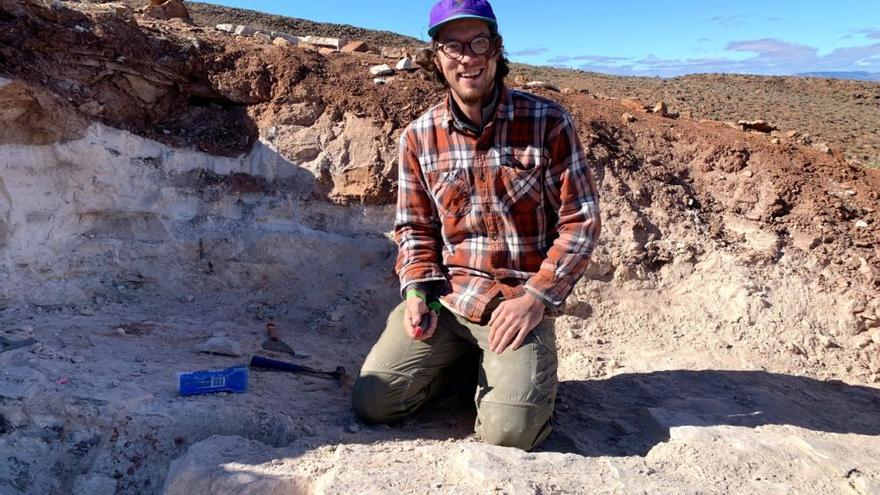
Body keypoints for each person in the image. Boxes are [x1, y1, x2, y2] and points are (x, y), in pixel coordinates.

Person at [352, 0, 601, 451]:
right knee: (375, 402)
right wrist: (415, 292)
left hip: (517, 304)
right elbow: (414, 227)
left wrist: (536, 298)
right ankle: (468, 365)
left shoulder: (548, 122)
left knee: (510, 434)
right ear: (436, 56)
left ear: (496, 48)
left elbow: (580, 222)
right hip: (448, 302)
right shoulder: (418, 136)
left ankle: (514, 380)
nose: (466, 57)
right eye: (452, 45)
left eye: (478, 42)